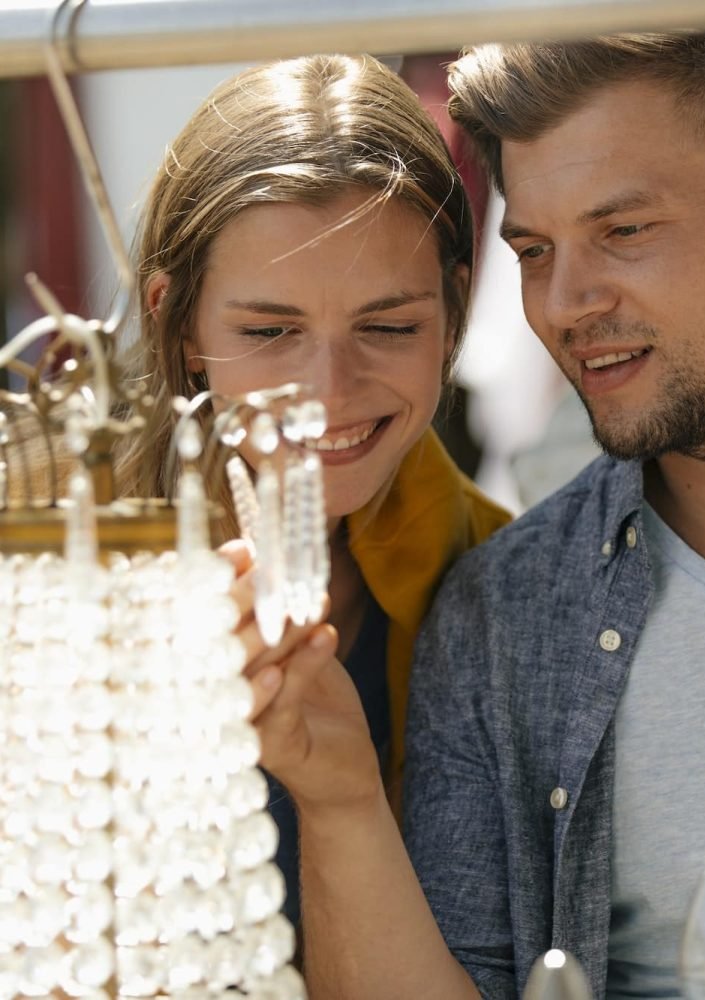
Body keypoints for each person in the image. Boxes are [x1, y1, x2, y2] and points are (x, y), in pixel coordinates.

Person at [248, 29, 705, 1000]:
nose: (562, 302)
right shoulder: (505, 615)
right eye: (533, 250)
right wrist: (338, 801)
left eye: (623, 230)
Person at [114, 53, 510, 931]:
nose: (327, 391)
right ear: (179, 327)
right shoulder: (47, 584)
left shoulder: (512, 583)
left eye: (389, 325)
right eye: (269, 330)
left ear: (453, 313)